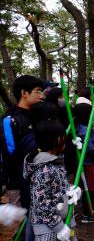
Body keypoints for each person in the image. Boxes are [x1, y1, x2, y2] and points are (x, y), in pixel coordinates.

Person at [23, 119, 81, 241]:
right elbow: (42, 204)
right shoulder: (43, 169)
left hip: (65, 222)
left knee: (71, 237)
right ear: (59, 139)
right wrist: (59, 227)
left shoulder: (54, 161)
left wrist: (70, 190)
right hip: (49, 230)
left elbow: (56, 186)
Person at [0, 75, 44, 209]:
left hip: (41, 178)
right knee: (23, 223)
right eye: (38, 91)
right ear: (24, 93)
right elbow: (10, 153)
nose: (41, 95)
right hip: (18, 182)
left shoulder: (40, 115)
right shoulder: (10, 120)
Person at [74, 97, 94, 223]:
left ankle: (92, 208)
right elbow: (89, 147)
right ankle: (87, 213)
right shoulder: (83, 130)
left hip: (87, 162)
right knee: (89, 188)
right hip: (87, 163)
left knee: (91, 187)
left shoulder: (81, 127)